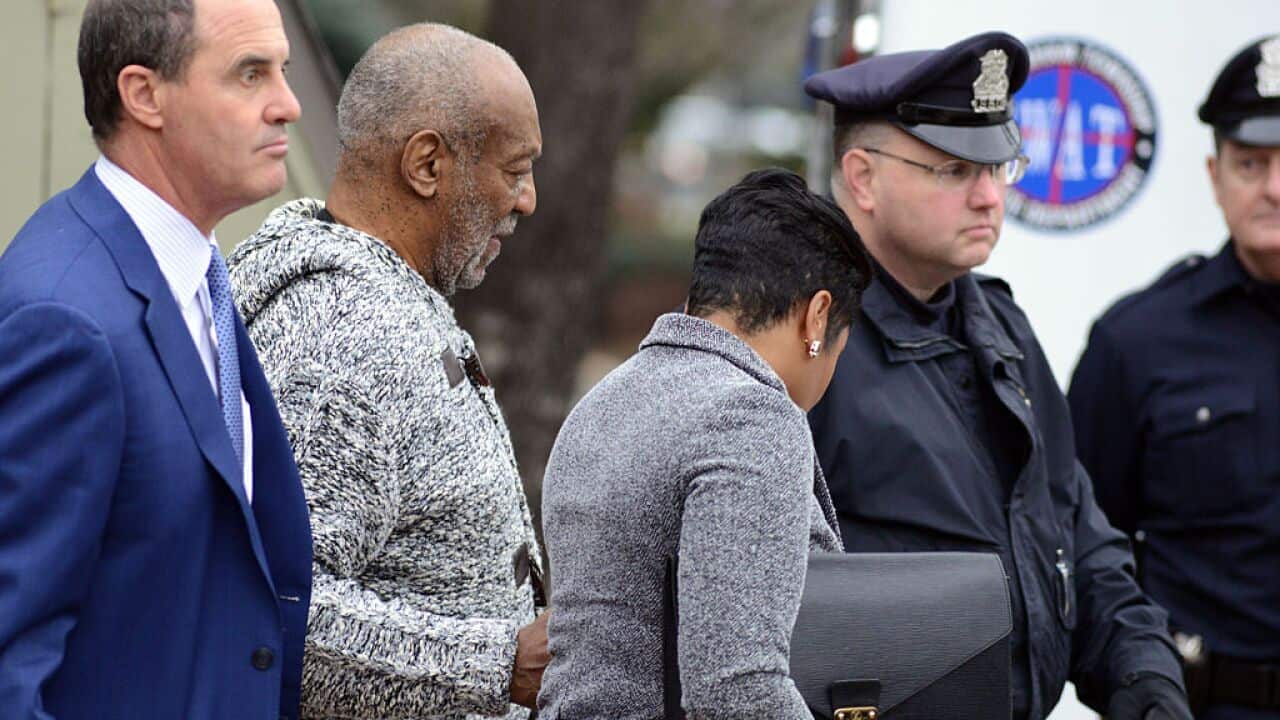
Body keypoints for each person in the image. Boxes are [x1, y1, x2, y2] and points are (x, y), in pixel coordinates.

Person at [804, 31, 1192, 720]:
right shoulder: (805, 339)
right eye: (954, 170)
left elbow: (1080, 539)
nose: (989, 197)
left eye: (1000, 167)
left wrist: (1147, 683)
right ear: (862, 177)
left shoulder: (999, 328)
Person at [0, 0, 312, 718]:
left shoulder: (191, 270)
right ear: (144, 95)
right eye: (249, 74)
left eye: (284, 71)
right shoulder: (65, 320)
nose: (288, 105)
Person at [227, 23, 545, 720]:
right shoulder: (342, 334)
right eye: (515, 170)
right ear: (426, 164)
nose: (526, 201)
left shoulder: (385, 295)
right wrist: (503, 664)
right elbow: (272, 618)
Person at [536, 168, 872, 719]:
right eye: (840, 346)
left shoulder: (602, 401)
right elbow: (737, 689)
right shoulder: (752, 415)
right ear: (817, 319)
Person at [1069, 35, 1280, 720]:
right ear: (1215, 176)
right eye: (1252, 163)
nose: (1274, 188)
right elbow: (1080, 552)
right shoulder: (1137, 340)